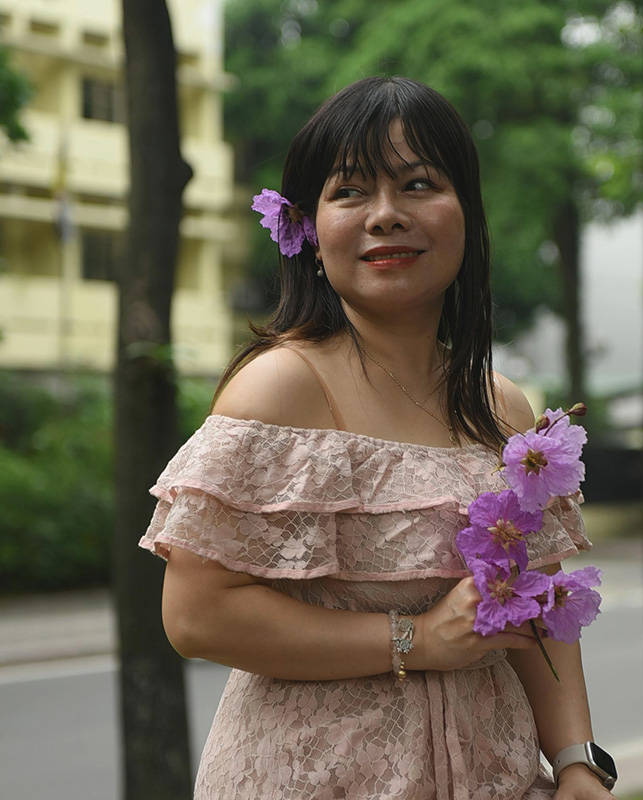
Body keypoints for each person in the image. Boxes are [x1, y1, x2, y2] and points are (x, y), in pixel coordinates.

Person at [140, 76, 617, 800]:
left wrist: (576, 761)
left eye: (419, 184)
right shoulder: (280, 389)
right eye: (351, 191)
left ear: (466, 214)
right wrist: (415, 640)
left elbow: (537, 604)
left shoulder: (505, 412)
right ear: (309, 229)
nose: (387, 215)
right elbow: (197, 616)